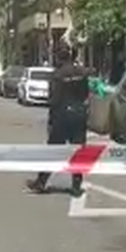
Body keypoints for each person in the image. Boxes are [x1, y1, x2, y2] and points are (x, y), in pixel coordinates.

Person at [26, 44, 92, 197]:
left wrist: (51, 121)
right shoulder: (81, 73)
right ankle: (76, 186)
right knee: (78, 152)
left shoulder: (57, 75)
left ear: (58, 58)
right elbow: (86, 94)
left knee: (53, 151)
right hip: (79, 114)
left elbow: (54, 100)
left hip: (62, 116)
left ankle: (41, 182)